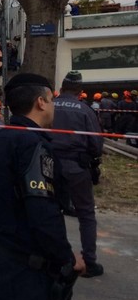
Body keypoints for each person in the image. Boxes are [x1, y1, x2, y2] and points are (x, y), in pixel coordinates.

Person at [0, 73, 86, 300]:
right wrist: (66, 257)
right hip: (26, 273)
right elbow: (42, 213)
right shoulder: (33, 145)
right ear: (40, 102)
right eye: (52, 100)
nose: (53, 106)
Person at [52, 70, 104, 278]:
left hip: (51, 166)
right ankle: (89, 262)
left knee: (52, 212)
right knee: (85, 213)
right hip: (77, 168)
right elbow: (96, 144)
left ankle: (57, 258)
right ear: (80, 91)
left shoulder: (48, 106)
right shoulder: (85, 110)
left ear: (62, 88)